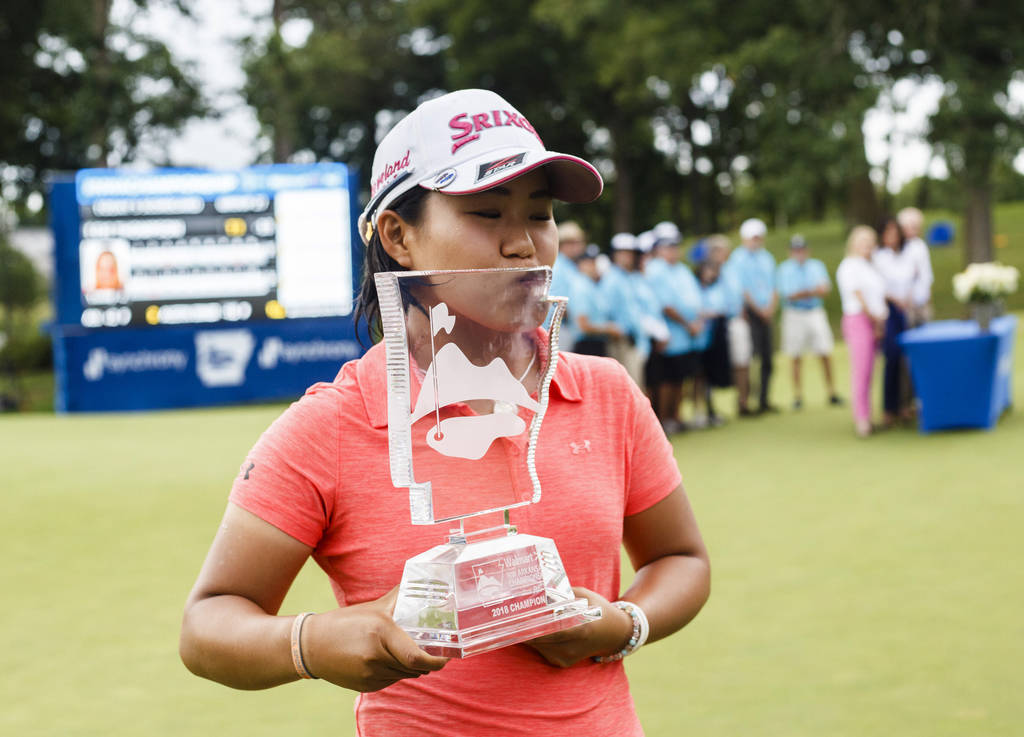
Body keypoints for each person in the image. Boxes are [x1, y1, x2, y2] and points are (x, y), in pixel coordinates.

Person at [179, 89, 710, 737]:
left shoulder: (605, 391)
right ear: (400, 236)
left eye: (540, 214)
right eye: (487, 212)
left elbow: (682, 558)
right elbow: (207, 625)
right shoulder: (329, 426)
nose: (524, 244)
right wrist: (313, 642)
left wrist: (623, 624)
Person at [645, 222, 703, 433]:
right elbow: (666, 305)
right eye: (668, 247)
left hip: (687, 335)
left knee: (681, 378)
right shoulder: (656, 269)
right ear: (659, 248)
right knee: (666, 379)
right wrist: (689, 324)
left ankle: (676, 416)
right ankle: (665, 418)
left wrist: (697, 321)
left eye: (675, 246)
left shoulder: (681, 269)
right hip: (669, 335)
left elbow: (695, 299)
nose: (673, 250)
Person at [775, 234, 843, 410]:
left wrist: (803, 293)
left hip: (814, 312)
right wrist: (811, 291)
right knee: (795, 354)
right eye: (796, 249)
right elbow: (789, 294)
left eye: (802, 249)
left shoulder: (816, 266)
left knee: (825, 351)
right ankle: (797, 395)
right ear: (790, 251)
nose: (800, 253)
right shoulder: (784, 269)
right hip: (794, 314)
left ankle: (832, 392)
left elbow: (824, 289)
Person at [836, 226, 888, 437]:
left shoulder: (870, 266)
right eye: (862, 240)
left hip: (874, 322)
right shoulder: (849, 266)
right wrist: (874, 319)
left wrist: (879, 322)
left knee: (871, 371)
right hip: (859, 320)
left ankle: (869, 414)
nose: (866, 245)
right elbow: (858, 295)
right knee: (862, 370)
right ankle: (862, 420)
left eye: (870, 240)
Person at [724, 218, 777, 415]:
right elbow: (742, 290)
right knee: (749, 358)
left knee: (767, 358)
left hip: (766, 313)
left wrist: (770, 308)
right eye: (752, 238)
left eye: (758, 237)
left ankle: (764, 399)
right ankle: (746, 400)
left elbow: (773, 286)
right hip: (749, 314)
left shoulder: (767, 257)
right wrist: (760, 310)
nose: (755, 241)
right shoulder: (738, 259)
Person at [872, 216, 915, 427]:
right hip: (888, 311)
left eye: (895, 232)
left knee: (906, 360)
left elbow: (911, 280)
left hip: (905, 310)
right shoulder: (878, 257)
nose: (892, 237)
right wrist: (895, 299)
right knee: (892, 357)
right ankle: (889, 408)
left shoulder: (906, 256)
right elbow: (878, 285)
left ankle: (905, 405)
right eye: (888, 232)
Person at [550, 221, 588, 350]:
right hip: (558, 328)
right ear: (563, 244)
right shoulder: (558, 267)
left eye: (579, 242)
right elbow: (554, 300)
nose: (579, 246)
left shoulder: (571, 266)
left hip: (567, 328)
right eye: (573, 242)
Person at [896, 207, 934, 327]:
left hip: (922, 300)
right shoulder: (898, 247)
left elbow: (926, 275)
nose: (912, 230)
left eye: (915, 226)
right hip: (906, 302)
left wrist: (928, 296)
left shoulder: (920, 245)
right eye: (909, 226)